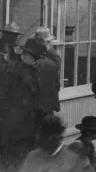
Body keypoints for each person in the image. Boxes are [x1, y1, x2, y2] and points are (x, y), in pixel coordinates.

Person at [0, 38, 47, 172]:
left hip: (28, 127)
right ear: (26, 54)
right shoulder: (10, 71)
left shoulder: (32, 71)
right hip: (13, 129)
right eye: (35, 58)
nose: (37, 61)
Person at [19, 115, 84, 172]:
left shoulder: (73, 159)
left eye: (41, 135)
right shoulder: (32, 156)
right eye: (36, 134)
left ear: (54, 136)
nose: (37, 138)